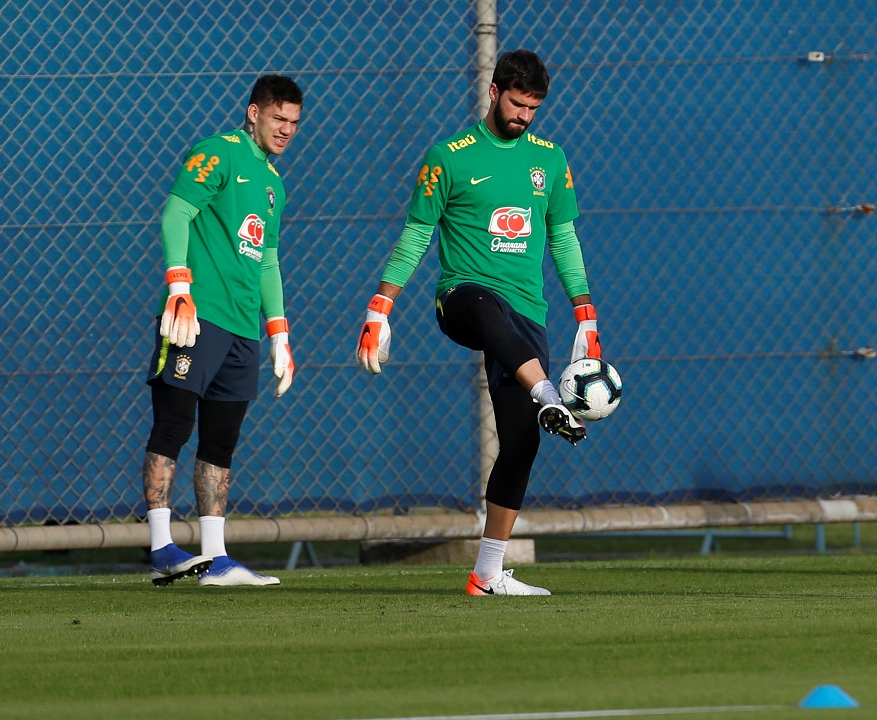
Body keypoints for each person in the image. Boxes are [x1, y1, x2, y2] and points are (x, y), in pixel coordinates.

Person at [355, 50, 604, 596]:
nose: (524, 116)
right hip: (461, 300)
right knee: (484, 308)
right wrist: (381, 306)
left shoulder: (551, 160)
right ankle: (544, 391)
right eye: (517, 104)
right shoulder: (449, 156)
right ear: (494, 93)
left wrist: (585, 315)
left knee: (520, 446)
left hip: (526, 316)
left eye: (534, 107)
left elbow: (563, 238)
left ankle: (487, 574)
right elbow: (417, 233)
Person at [143, 75, 303, 588]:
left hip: (241, 330)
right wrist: (178, 286)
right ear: (253, 112)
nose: (286, 130)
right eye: (278, 118)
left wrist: (278, 333)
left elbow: (269, 262)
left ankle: (215, 558)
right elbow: (176, 214)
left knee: (221, 442)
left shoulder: (274, 185)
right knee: (173, 426)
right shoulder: (218, 153)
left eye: (295, 123)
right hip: (197, 316)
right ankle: (162, 547)